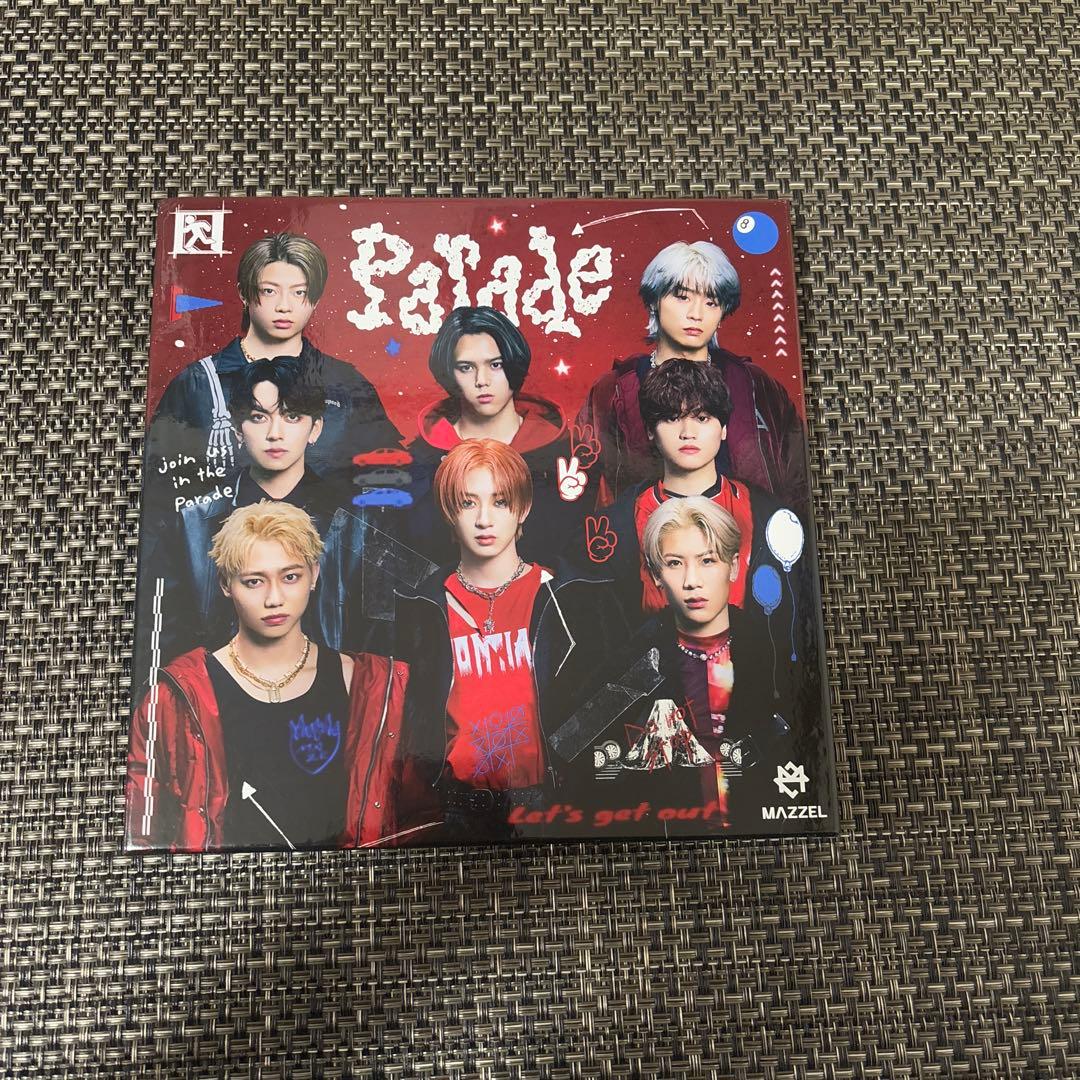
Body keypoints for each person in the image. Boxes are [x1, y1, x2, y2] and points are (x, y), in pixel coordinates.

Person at [126, 501, 409, 852]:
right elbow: (141, 827)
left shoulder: (369, 684)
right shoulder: (175, 698)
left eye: (290, 577)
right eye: (254, 581)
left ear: (314, 575)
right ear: (226, 584)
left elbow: (407, 817)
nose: (274, 599)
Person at [394, 439, 626, 842]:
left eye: (500, 502)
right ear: (449, 512)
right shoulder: (422, 607)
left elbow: (610, 715)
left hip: (551, 804)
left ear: (523, 508)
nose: (485, 519)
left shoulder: (569, 597)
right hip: (455, 809)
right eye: (468, 503)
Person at [564, 497, 793, 837]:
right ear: (656, 576)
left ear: (733, 566)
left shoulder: (771, 649)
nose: (691, 580)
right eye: (674, 563)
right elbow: (575, 752)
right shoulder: (638, 657)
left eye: (707, 560)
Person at [143, 232, 401, 525]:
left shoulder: (346, 384)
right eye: (269, 291)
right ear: (244, 293)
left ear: (315, 299)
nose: (284, 306)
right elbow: (159, 495)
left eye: (299, 292)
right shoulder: (198, 383)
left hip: (327, 548)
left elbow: (389, 483)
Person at [575, 240, 808, 510]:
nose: (696, 314)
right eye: (682, 297)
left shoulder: (755, 384)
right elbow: (585, 486)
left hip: (750, 529)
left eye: (711, 302)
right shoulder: (614, 390)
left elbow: (799, 479)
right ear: (654, 301)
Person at [589, 359, 779, 623]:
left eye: (702, 418)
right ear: (650, 430)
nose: (688, 433)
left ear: (724, 428)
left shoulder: (767, 514)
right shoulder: (617, 524)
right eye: (672, 418)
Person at [405, 305, 583, 567]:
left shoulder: (566, 455)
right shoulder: (421, 460)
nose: (482, 380)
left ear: (513, 364)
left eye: (496, 365)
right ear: (449, 373)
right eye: (466, 367)